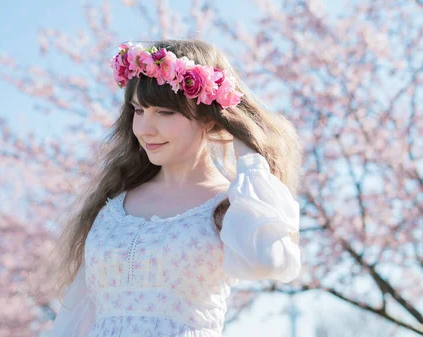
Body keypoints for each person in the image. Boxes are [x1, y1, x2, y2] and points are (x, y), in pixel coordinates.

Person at [48, 39, 302, 337]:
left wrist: (249, 156)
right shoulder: (113, 208)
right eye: (138, 111)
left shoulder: (230, 205)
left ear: (208, 116)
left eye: (165, 113)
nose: (145, 128)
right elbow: (76, 317)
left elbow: (268, 262)